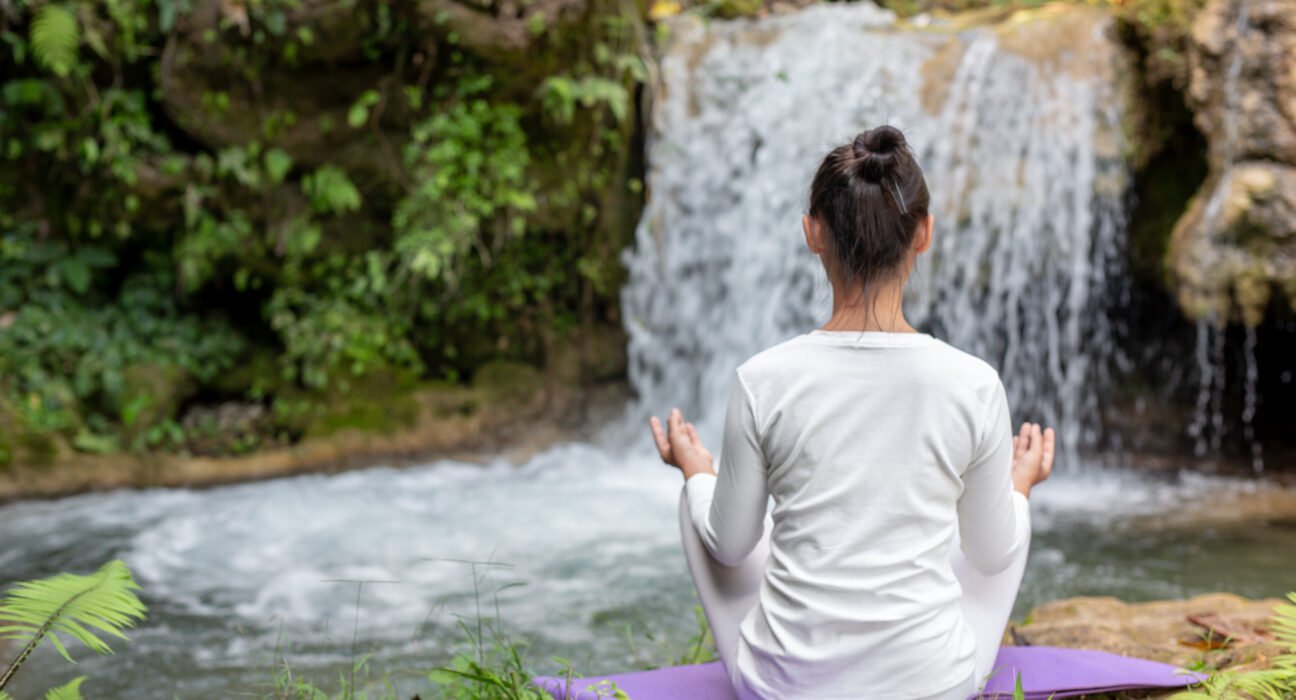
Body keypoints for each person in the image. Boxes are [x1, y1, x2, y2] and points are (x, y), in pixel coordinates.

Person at [647, 125, 1055, 700]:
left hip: (783, 689)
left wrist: (696, 472)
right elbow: (990, 555)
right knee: (1005, 524)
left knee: (704, 509)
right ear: (924, 233)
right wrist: (1020, 486)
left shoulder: (761, 379)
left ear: (813, 233)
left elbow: (730, 546)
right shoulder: (976, 384)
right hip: (933, 688)